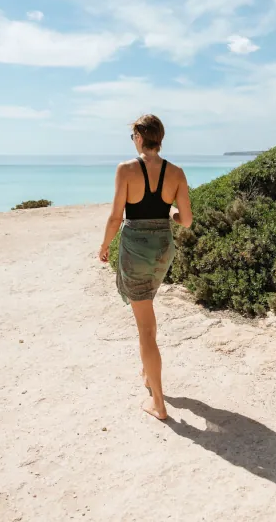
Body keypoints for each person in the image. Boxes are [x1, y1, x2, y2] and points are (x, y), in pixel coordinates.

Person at [99, 115, 193, 420]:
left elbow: (116, 217)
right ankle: (146, 370)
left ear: (140, 137)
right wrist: (172, 219)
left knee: (146, 330)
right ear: (160, 138)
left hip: (136, 250)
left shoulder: (126, 170)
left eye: (133, 136)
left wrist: (104, 246)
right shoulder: (176, 172)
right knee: (147, 312)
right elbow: (187, 220)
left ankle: (159, 404)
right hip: (163, 251)